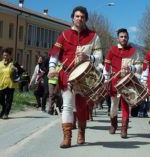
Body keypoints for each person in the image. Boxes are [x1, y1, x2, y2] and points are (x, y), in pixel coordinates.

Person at [48, 6, 103, 148]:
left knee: (81, 107)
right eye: (77, 16)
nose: (80, 19)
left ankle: (81, 132)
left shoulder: (94, 36)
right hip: (66, 74)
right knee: (67, 106)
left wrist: (88, 57)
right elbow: (54, 54)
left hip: (85, 76)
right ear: (73, 17)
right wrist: (52, 68)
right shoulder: (65, 35)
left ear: (86, 19)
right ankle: (67, 137)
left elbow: (99, 58)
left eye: (82, 17)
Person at [103, 28, 141, 138]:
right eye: (121, 36)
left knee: (125, 106)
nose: (123, 38)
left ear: (128, 37)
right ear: (118, 38)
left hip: (127, 82)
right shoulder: (112, 50)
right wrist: (106, 78)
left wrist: (131, 68)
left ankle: (124, 129)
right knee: (114, 105)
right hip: (115, 81)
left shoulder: (134, 51)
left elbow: (139, 66)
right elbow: (107, 65)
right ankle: (113, 125)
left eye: (125, 36)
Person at [0, 48, 19, 119]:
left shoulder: (14, 63)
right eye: (4, 55)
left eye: (7, 55)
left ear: (10, 56)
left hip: (10, 84)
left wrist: (17, 69)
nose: (5, 57)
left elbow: (21, 71)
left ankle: (6, 113)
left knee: (9, 100)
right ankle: (4, 108)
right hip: (0, 84)